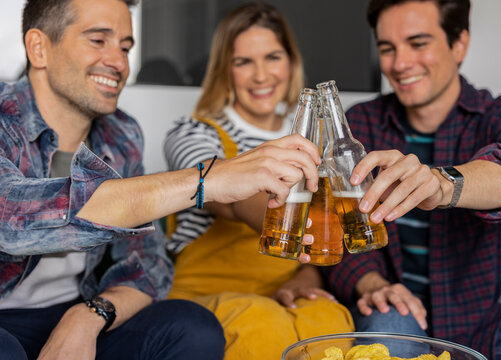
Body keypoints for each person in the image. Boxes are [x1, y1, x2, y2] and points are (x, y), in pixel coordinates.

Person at [0, 0, 321, 359]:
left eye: (125, 47)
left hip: (74, 310)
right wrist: (207, 181)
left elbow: (146, 264)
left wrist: (88, 316)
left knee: (193, 328)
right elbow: (11, 216)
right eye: (98, 41)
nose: (119, 62)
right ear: (38, 47)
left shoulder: (121, 133)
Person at [320, 0, 501, 359]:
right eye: (387, 49)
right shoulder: (360, 125)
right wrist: (373, 285)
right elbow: (340, 227)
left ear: (459, 44)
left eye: (418, 43)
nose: (400, 64)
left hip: (482, 326)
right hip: (394, 312)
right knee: (387, 331)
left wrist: (442, 185)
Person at [163, 3, 353, 359]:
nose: (261, 75)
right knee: (260, 323)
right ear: (224, 71)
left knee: (327, 322)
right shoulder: (195, 133)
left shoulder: (318, 144)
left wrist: (305, 280)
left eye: (273, 57)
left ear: (291, 62)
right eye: (243, 62)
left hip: (284, 290)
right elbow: (222, 195)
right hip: (206, 294)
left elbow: (316, 253)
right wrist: (293, 218)